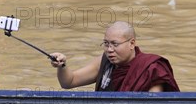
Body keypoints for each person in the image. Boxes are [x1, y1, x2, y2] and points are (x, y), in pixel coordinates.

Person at [50, 21, 179, 92]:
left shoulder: (151, 68)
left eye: (115, 44)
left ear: (132, 43)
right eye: (106, 44)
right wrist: (62, 66)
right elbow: (69, 82)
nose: (109, 50)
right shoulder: (104, 62)